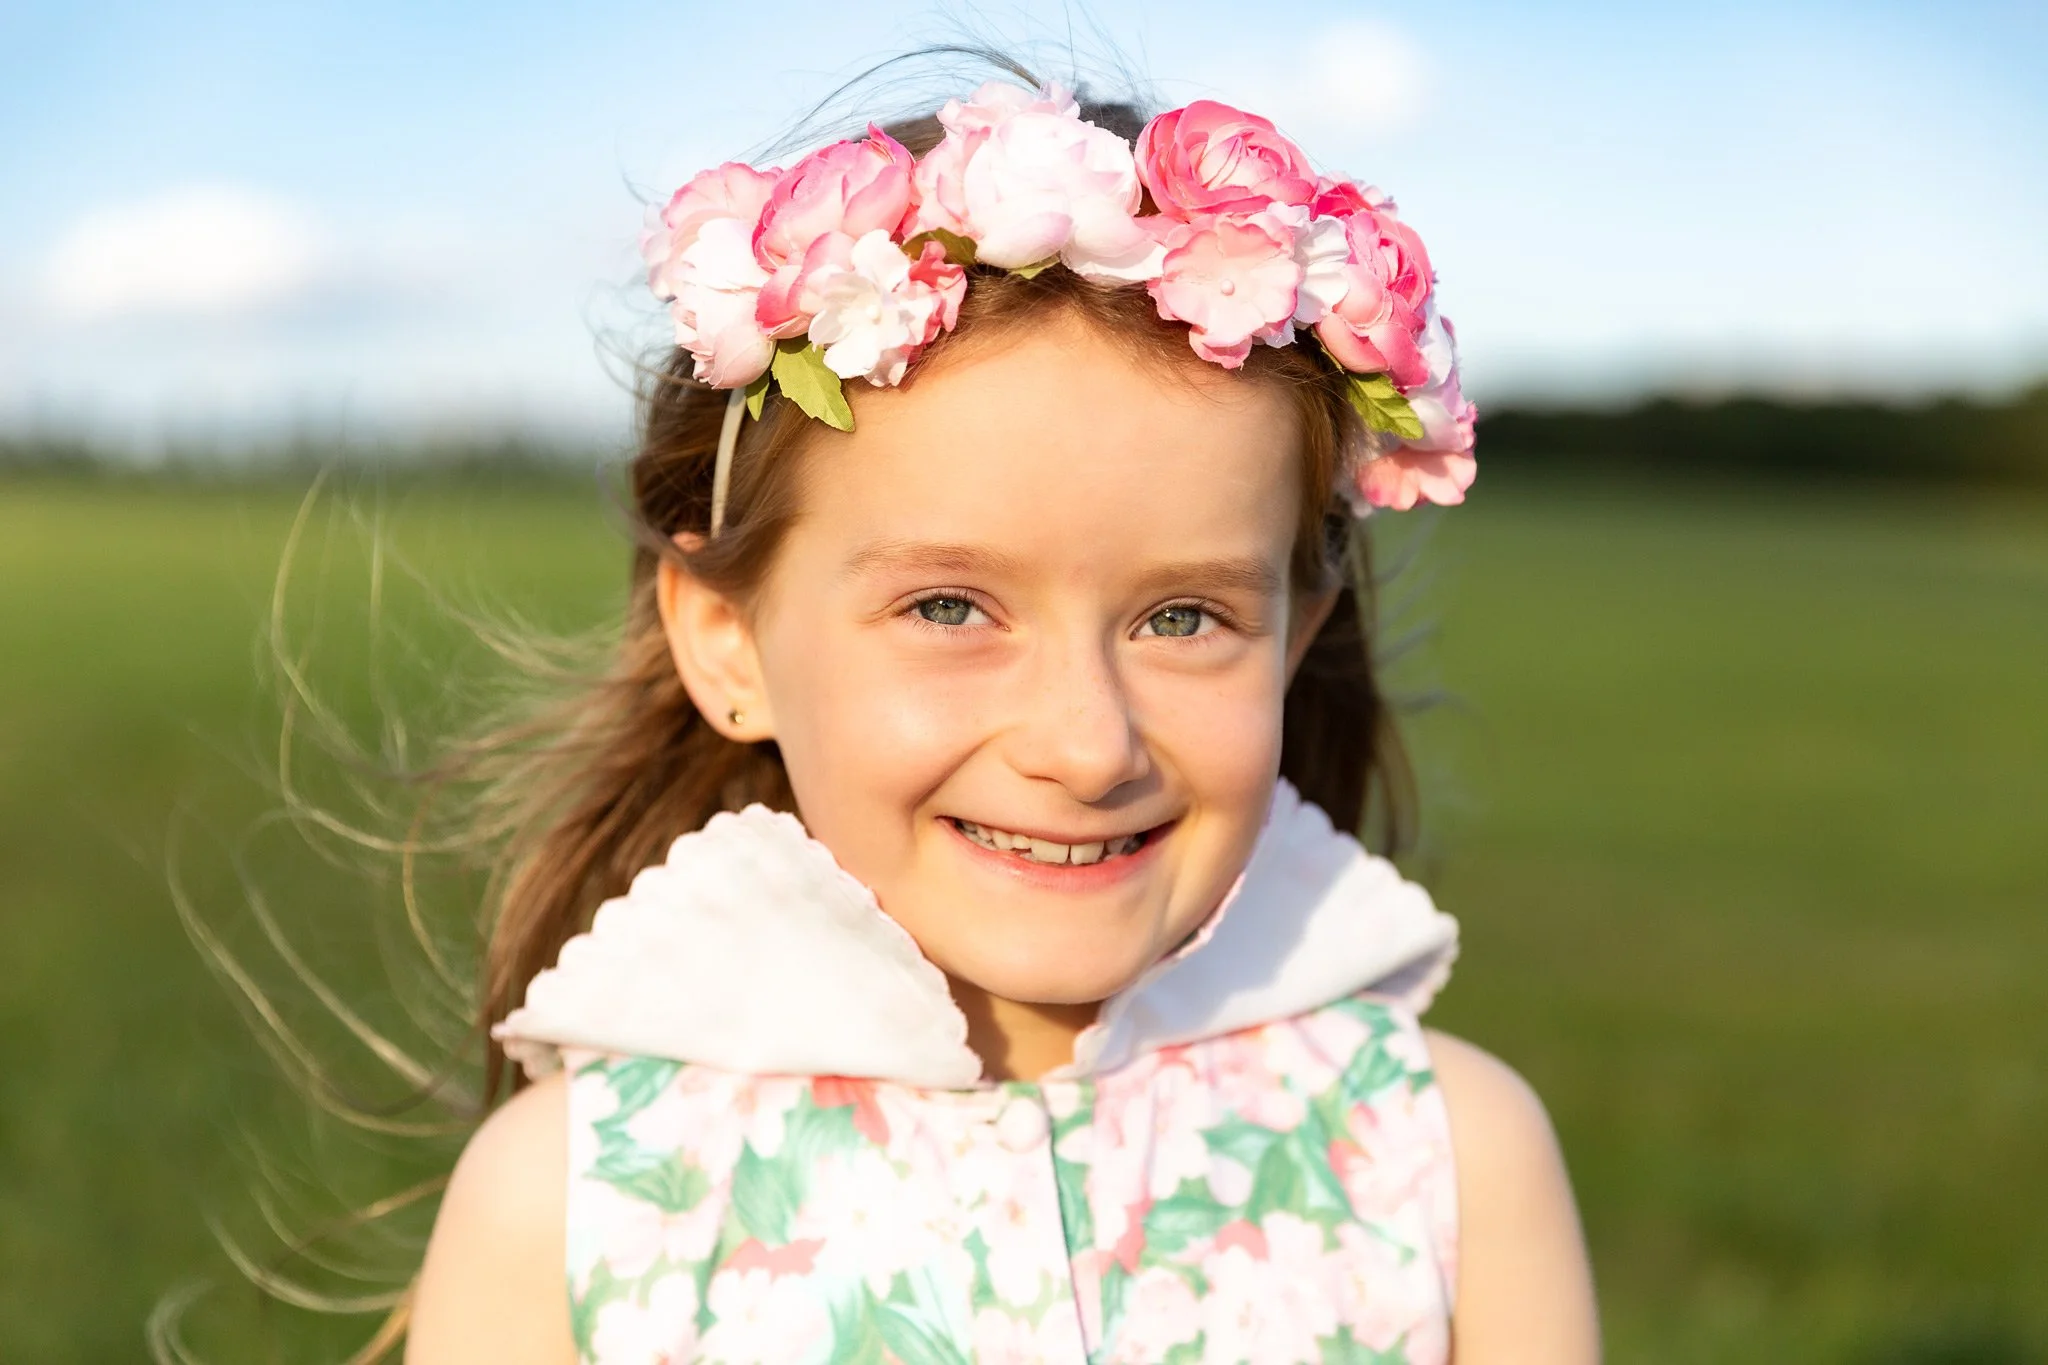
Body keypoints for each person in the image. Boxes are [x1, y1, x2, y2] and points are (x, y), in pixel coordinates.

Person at [404, 71, 1599, 1365]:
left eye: (1184, 620)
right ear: (729, 639)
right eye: (950, 609)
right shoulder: (577, 1207)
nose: (1087, 748)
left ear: (1297, 641)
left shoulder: (1445, 1162)